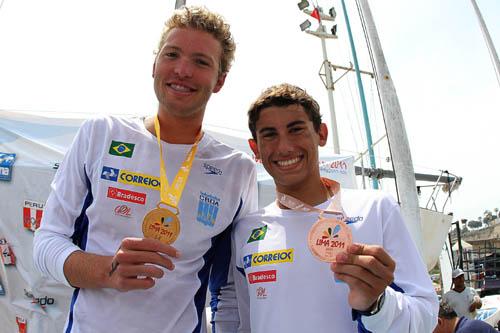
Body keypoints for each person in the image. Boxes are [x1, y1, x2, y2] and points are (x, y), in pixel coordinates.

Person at [33, 6, 257, 333]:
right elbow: (46, 241)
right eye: (172, 54)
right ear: (154, 64)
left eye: (201, 62)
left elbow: (229, 289)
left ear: (219, 80)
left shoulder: (237, 170)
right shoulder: (100, 134)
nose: (182, 70)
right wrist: (106, 270)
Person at [232, 83, 439, 332]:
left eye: (296, 130)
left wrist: (377, 304)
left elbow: (426, 317)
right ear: (255, 148)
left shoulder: (375, 208)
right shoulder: (245, 229)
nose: (284, 146)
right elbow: (241, 322)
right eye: (269, 134)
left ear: (321, 134)